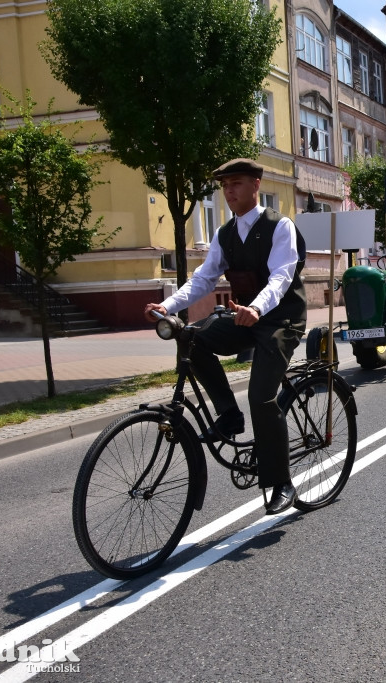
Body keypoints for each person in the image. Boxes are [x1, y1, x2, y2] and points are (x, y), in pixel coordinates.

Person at [144, 158, 305, 516]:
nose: (229, 191)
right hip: (245, 317)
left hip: (281, 319)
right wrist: (168, 305)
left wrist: (257, 309)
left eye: (236, 183)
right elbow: (203, 278)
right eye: (225, 185)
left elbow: (281, 277)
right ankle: (229, 417)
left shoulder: (280, 227)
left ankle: (282, 482)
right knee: (192, 339)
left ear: (256, 185)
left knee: (262, 396)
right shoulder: (225, 234)